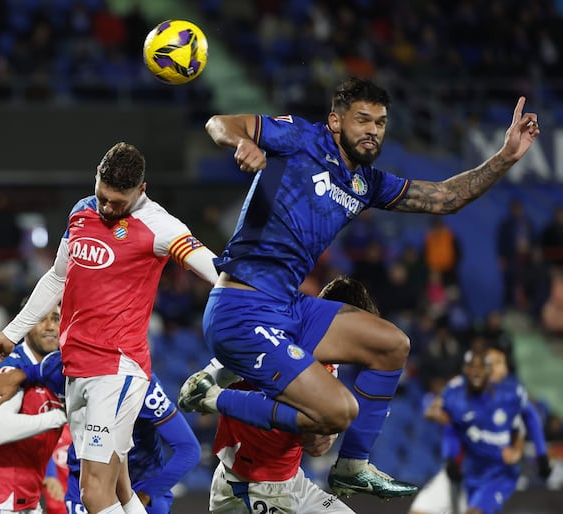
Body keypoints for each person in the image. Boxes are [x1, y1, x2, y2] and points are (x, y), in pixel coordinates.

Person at [178, 76, 541, 498]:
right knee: (338, 410)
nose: (372, 130)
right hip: (241, 307)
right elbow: (220, 123)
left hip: (288, 305)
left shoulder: (366, 182)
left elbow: (445, 197)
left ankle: (352, 465)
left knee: (392, 344)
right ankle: (210, 396)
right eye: (362, 119)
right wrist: (243, 143)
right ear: (335, 121)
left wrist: (506, 156)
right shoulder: (300, 137)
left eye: (381, 123)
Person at [0, 142, 219, 514]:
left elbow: (213, 269)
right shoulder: (81, 212)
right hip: (77, 368)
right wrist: (11, 334)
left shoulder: (161, 226)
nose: (107, 208)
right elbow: (57, 278)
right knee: (121, 486)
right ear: (96, 178)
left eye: (117, 202)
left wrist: (250, 292)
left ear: (142, 189)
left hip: (117, 369)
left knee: (93, 491)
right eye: (102, 196)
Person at [207, 275, 378, 514]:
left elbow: (322, 424)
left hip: (293, 483)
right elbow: (207, 380)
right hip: (248, 487)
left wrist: (328, 434)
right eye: (356, 336)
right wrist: (214, 385)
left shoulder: (329, 362)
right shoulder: (272, 340)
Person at [0, 363, 201, 514]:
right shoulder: (62, 366)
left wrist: (146, 494)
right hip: (83, 478)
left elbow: (189, 450)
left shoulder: (143, 386)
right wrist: (17, 375)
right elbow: (37, 369)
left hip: (140, 485)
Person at [408, 341, 551, 514]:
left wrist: (536, 454)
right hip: (464, 470)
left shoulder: (511, 395)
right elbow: (440, 415)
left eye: (499, 363)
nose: (497, 368)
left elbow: (525, 424)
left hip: (496, 473)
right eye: (491, 361)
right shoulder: (457, 391)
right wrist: (450, 455)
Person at [0, 305, 69, 513]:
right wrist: (59, 416)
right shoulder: (8, 368)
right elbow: (1, 430)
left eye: (55, 319)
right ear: (26, 324)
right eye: (40, 319)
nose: (49, 326)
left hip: (24, 498)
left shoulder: (58, 371)